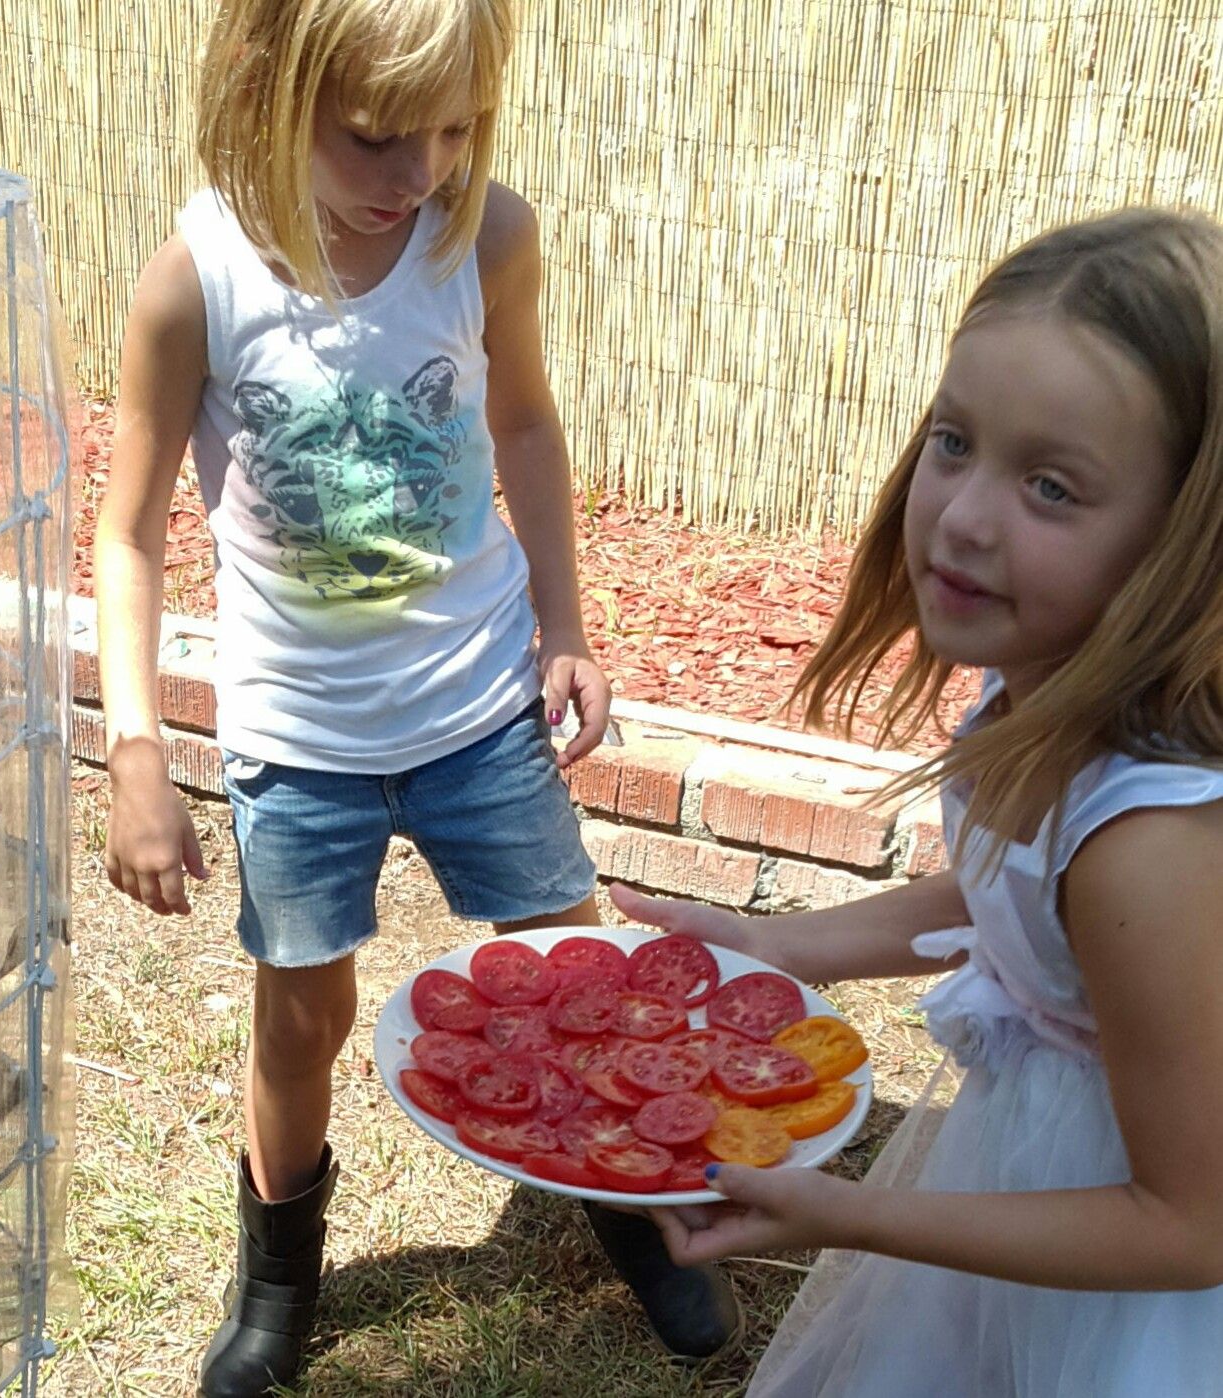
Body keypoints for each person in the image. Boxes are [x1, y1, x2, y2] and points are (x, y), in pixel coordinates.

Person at [92, 0, 738, 1390]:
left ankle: (630, 1201)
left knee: (581, 978)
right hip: (298, 741)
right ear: (270, 88)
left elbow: (521, 420)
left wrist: (566, 622)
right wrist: (135, 747)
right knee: (301, 1016)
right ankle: (276, 1275)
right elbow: (128, 528)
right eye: (378, 134)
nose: (418, 171)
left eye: (451, 129)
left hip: (476, 710)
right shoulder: (192, 279)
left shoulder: (480, 235)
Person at [612, 206, 1223, 1397]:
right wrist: (774, 945)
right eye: (955, 441)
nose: (965, 514)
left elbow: (1188, 1222)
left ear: (1182, 542)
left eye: (1051, 486)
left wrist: (850, 1214)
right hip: (1041, 1175)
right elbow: (1006, 892)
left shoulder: (1151, 846)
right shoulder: (1041, 683)